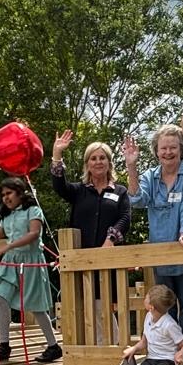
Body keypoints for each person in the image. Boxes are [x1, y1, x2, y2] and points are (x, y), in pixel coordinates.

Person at [0, 177, 62, 364]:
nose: (5, 198)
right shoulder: (7, 216)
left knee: (36, 306)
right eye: (3, 195)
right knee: (1, 297)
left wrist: (7, 248)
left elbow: (33, 234)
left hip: (30, 261)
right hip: (11, 263)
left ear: (19, 192)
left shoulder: (33, 210)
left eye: (9, 193)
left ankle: (53, 346)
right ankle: (4, 346)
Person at [50, 129, 131, 340]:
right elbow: (59, 187)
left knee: (105, 305)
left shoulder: (119, 191)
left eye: (102, 157)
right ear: (87, 164)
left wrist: (110, 239)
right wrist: (57, 154)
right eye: (93, 158)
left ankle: (114, 348)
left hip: (107, 260)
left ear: (109, 163)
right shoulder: (79, 191)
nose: (98, 162)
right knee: (84, 305)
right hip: (81, 261)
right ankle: (91, 349)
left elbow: (125, 218)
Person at [122, 124, 183, 337]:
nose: (168, 152)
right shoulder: (150, 176)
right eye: (163, 148)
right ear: (156, 151)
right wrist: (131, 166)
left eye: (172, 148)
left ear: (181, 149)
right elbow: (137, 200)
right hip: (161, 253)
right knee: (165, 305)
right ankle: (169, 350)